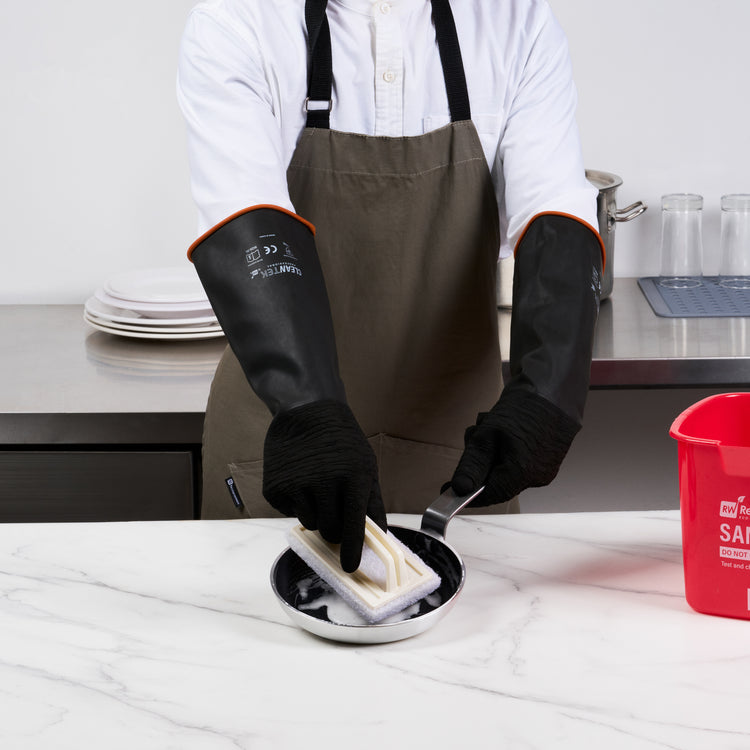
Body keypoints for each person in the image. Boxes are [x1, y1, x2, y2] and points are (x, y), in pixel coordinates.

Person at [177, 0, 604, 573]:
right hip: (289, 441)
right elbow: (245, 214)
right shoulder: (239, 20)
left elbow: (554, 210)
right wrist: (307, 410)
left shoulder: (516, 22)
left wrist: (548, 391)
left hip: (463, 462)